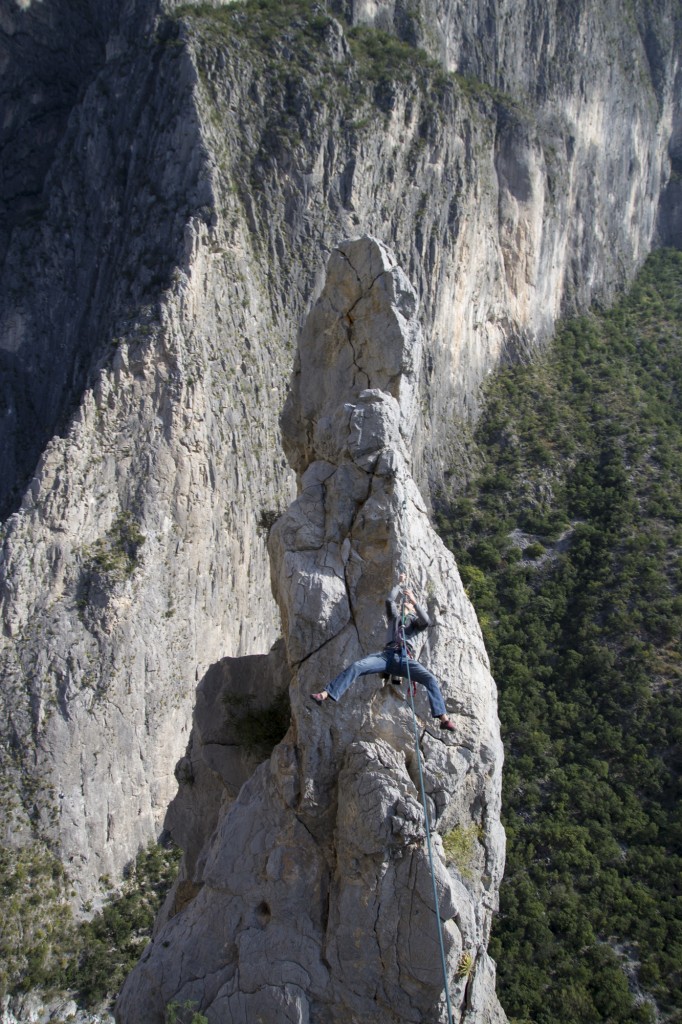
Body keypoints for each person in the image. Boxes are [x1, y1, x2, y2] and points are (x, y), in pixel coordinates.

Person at [311, 575, 456, 731]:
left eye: (410, 605)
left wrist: (414, 601)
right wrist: (399, 584)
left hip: (405, 658)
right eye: (406, 603)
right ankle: (325, 694)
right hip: (387, 656)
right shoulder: (394, 618)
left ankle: (443, 719)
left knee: (430, 679)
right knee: (357, 666)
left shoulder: (414, 623)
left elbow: (426, 621)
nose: (406, 603)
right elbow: (389, 601)